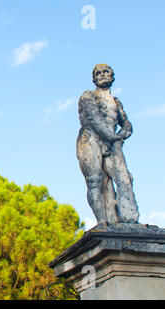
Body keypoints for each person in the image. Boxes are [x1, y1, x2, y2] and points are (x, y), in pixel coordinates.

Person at [77, 64, 139, 224]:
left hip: (111, 142)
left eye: (106, 72)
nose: (103, 75)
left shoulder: (116, 102)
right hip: (90, 139)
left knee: (124, 179)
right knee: (95, 181)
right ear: (94, 78)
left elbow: (127, 125)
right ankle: (102, 221)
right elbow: (94, 119)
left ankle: (125, 218)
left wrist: (119, 137)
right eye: (98, 73)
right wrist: (112, 137)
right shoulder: (88, 96)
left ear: (112, 76)